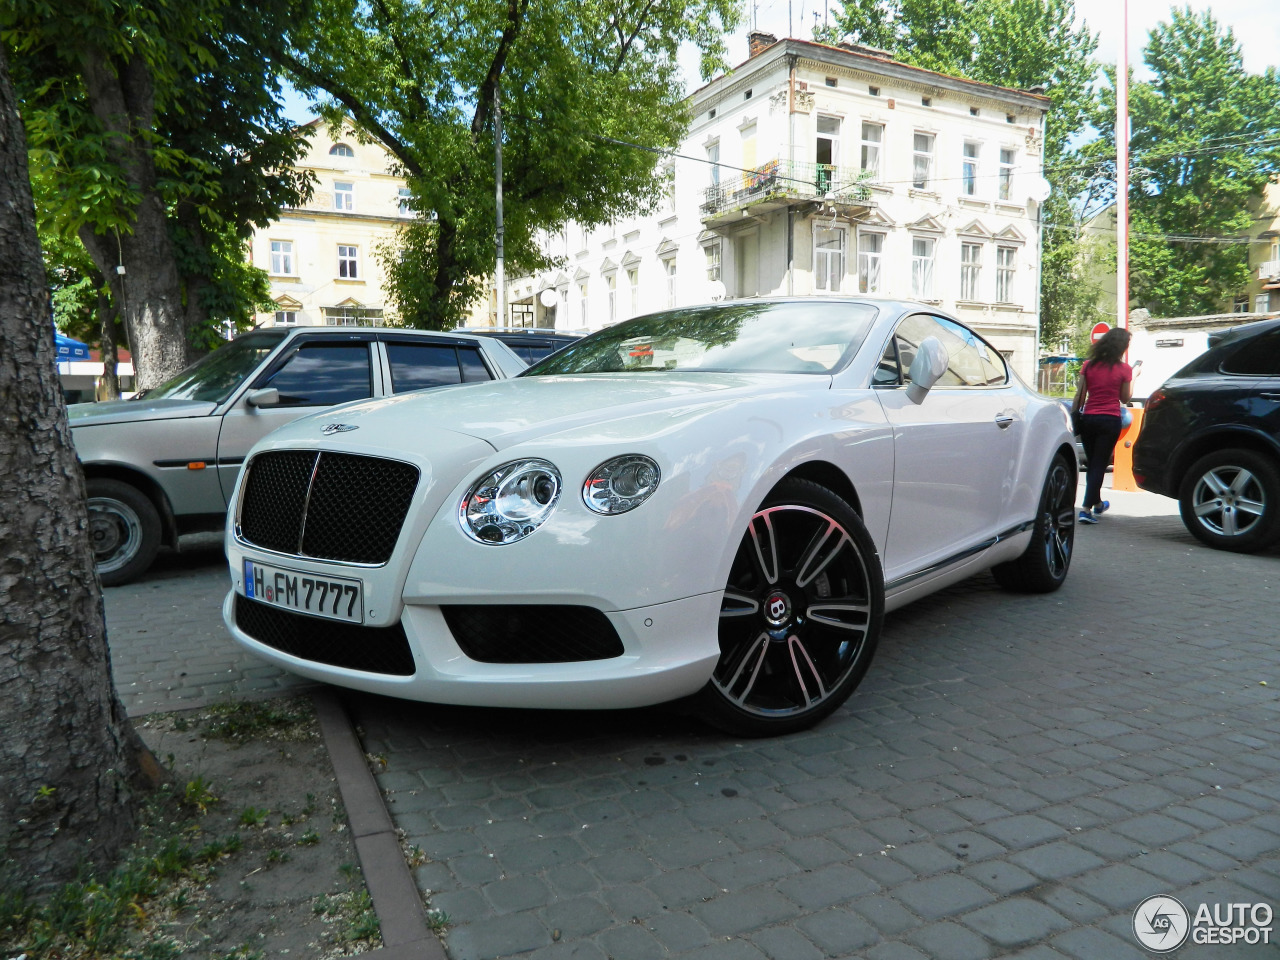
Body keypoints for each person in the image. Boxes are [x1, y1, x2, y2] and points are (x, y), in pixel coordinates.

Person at [1071, 327, 1134, 524]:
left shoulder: (1088, 366)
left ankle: (1097, 503)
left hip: (1089, 419)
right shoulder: (1125, 369)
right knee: (1098, 464)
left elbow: (1079, 396)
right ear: (1121, 347)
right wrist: (1135, 377)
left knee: (1094, 465)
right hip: (1110, 420)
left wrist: (1073, 417)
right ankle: (1086, 509)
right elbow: (1125, 398)